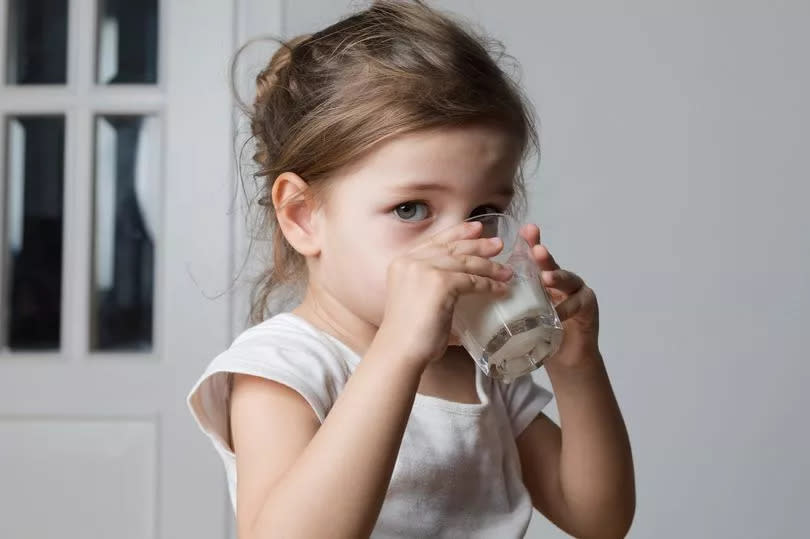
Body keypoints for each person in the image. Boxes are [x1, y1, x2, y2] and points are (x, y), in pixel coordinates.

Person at [187, 1, 635, 537]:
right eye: (411, 209)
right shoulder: (285, 368)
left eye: (481, 213)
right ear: (303, 217)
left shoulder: (480, 361)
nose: (459, 245)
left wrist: (578, 369)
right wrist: (398, 349)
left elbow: (597, 518)